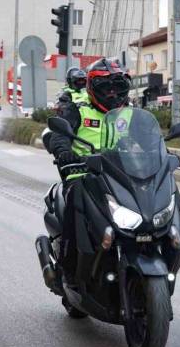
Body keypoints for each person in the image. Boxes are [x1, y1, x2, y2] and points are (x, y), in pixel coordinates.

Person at [46, 58, 131, 281]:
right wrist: (64, 151)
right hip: (82, 174)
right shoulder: (78, 108)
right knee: (76, 208)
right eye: (106, 88)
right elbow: (59, 135)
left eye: (117, 88)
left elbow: (146, 138)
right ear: (93, 88)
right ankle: (68, 268)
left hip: (120, 176)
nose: (112, 93)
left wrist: (161, 151)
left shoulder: (128, 113)